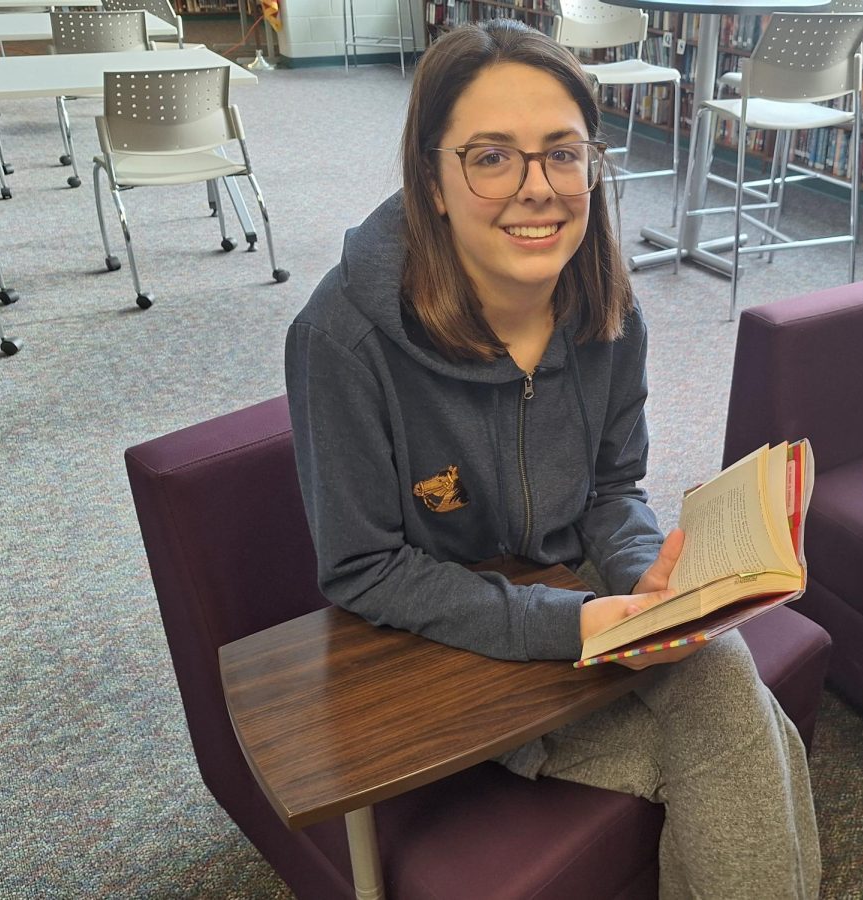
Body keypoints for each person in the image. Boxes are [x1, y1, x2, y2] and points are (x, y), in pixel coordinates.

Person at [285, 19, 820, 899]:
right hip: (453, 648)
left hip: (583, 597)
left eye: (562, 154)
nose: (538, 190)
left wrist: (653, 592)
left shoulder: (609, 304)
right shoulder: (343, 340)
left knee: (722, 685)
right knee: (744, 729)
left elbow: (614, 489)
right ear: (434, 178)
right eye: (491, 157)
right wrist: (574, 625)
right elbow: (364, 569)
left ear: (592, 166)